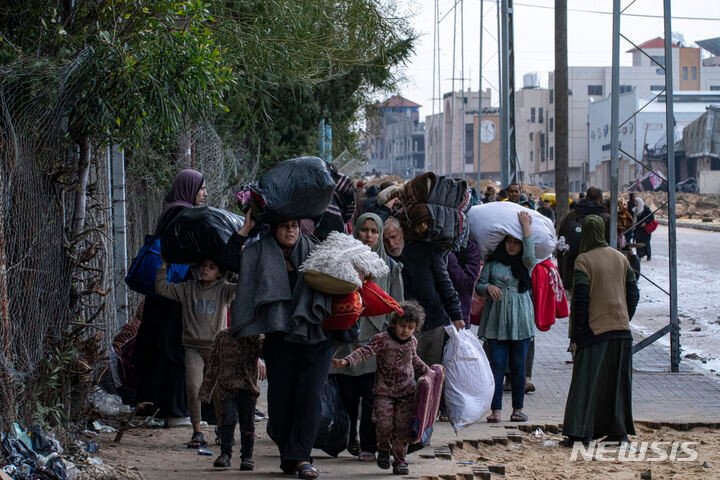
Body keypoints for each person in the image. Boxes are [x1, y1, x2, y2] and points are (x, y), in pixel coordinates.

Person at [221, 211, 332, 479]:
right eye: (284, 226)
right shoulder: (259, 253)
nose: (291, 231)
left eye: (294, 225)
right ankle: (289, 455)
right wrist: (245, 229)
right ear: (273, 229)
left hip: (316, 335)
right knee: (281, 399)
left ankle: (303, 457)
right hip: (279, 336)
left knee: (310, 396)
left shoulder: (316, 251)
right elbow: (227, 261)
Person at [133, 169, 207, 426]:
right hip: (174, 292)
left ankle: (155, 406)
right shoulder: (182, 213)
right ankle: (174, 411)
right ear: (189, 189)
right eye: (201, 188)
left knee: (159, 346)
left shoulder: (171, 210)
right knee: (175, 347)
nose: (204, 193)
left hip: (162, 290)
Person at [331, 213, 404, 462]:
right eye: (364, 230)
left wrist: (391, 335)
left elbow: (397, 304)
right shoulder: (342, 262)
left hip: (377, 341)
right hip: (347, 340)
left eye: (374, 231)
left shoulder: (391, 268)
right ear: (356, 232)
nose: (369, 235)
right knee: (348, 395)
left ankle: (368, 445)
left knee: (372, 397)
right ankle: (349, 435)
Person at [562, 215, 639, 446]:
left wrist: (578, 334)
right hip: (622, 331)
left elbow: (580, 301)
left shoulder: (583, 261)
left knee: (585, 383)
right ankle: (619, 432)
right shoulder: (621, 258)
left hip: (594, 332)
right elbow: (633, 294)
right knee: (616, 385)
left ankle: (579, 432)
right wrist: (623, 316)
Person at [332, 301, 429, 476]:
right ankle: (383, 448)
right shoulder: (382, 339)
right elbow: (364, 351)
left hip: (407, 393)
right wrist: (346, 361)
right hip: (384, 393)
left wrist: (430, 372)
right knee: (383, 424)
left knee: (402, 428)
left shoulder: (412, 342)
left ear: (415, 329)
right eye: (402, 326)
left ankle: (400, 460)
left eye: (410, 327)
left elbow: (414, 360)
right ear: (394, 323)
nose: (405, 330)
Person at [155, 258, 236, 448]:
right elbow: (162, 289)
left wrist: (239, 261)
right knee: (193, 387)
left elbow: (245, 287)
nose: (205, 270)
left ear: (219, 272)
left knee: (218, 391)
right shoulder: (187, 288)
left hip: (217, 348)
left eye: (212, 266)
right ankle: (197, 431)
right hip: (192, 347)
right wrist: (164, 265)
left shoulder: (224, 289)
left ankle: (223, 429)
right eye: (203, 266)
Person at [476, 211, 535, 423]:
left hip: (521, 320)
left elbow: (530, 255)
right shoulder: (492, 264)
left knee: (519, 367)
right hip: (495, 320)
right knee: (496, 365)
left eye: (516, 243)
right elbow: (479, 286)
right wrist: (488, 286)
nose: (512, 246)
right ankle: (496, 410)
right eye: (509, 242)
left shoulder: (525, 264)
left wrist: (526, 227)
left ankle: (517, 409)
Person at [384, 218, 464, 367]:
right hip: (401, 328)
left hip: (432, 324)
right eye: (386, 240)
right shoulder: (385, 260)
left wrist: (456, 315)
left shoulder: (425, 251)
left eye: (393, 237)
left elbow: (444, 283)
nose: (391, 244)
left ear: (402, 232)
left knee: (431, 375)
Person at [199, 330, 265, 470]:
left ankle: (247, 456)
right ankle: (225, 454)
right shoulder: (222, 336)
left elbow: (267, 351)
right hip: (227, 387)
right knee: (228, 419)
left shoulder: (255, 336)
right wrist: (206, 390)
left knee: (247, 423)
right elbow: (213, 363)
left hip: (248, 388)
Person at [556, 186, 610, 291]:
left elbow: (561, 246)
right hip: (599, 272)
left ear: (586, 197)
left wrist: (563, 274)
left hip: (574, 271)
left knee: (578, 303)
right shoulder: (605, 218)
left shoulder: (570, 216)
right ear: (600, 199)